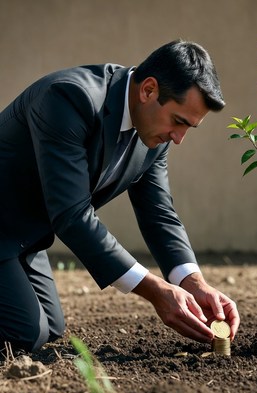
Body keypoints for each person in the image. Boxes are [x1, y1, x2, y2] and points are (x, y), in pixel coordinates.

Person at [0, 40, 240, 352]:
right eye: (179, 122)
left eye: (189, 128)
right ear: (149, 90)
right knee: (24, 334)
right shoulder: (68, 98)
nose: (179, 139)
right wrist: (154, 290)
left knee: (51, 328)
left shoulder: (154, 132)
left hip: (22, 239)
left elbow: (159, 215)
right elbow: (72, 215)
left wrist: (194, 283)